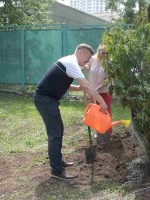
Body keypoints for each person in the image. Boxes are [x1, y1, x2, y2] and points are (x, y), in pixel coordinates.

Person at [33, 44, 107, 180]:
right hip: (45, 100)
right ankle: (56, 171)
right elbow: (86, 85)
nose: (88, 61)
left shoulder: (69, 62)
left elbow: (63, 85)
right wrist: (101, 102)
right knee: (55, 134)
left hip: (48, 100)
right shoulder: (71, 62)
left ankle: (58, 162)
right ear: (80, 53)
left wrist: (78, 88)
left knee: (58, 130)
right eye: (87, 57)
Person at [83, 44, 112, 143]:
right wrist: (86, 67)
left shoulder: (109, 62)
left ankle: (108, 132)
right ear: (99, 51)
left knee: (106, 112)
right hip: (93, 91)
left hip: (104, 91)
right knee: (95, 112)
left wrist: (99, 87)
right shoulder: (93, 59)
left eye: (107, 53)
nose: (105, 55)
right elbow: (87, 64)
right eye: (103, 53)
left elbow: (108, 79)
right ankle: (97, 131)